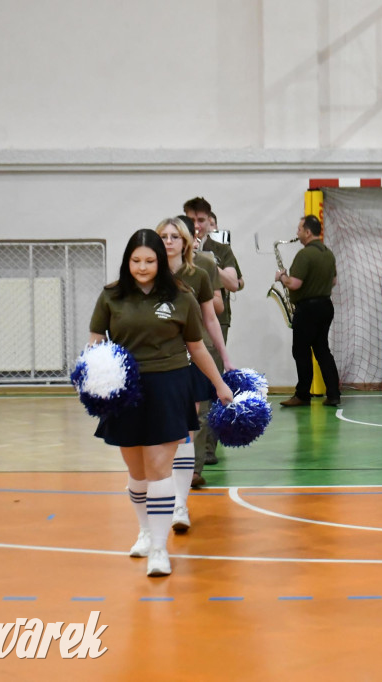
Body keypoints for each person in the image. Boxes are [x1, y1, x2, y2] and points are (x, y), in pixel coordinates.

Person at [87, 229, 232, 577]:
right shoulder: (111, 296)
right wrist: (92, 381)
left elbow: (196, 347)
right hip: (126, 390)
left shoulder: (181, 296)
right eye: (136, 260)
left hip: (169, 386)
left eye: (149, 260)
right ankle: (144, 532)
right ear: (127, 261)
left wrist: (219, 383)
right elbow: (95, 343)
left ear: (160, 262)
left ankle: (159, 549)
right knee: (137, 474)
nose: (142, 266)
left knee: (158, 468)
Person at [156, 218, 234, 528]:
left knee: (186, 429)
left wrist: (224, 358)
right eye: (163, 236)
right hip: (156, 364)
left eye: (175, 236)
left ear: (186, 241)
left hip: (190, 360)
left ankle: (179, 504)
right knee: (160, 434)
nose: (169, 241)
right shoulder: (148, 273)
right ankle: (154, 492)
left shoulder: (200, 274)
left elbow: (211, 319)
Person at [276, 215, 342, 407]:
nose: (297, 233)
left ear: (307, 232)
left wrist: (282, 277)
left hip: (307, 309)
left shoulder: (304, 255)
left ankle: (302, 395)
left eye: (299, 229)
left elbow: (294, 284)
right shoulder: (328, 253)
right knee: (322, 350)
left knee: (301, 351)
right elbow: (334, 281)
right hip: (325, 306)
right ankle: (334, 394)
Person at [183, 197, 243, 342]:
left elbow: (234, 284)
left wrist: (203, 260)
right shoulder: (177, 247)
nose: (196, 225)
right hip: (184, 316)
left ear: (210, 221)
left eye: (201, 220)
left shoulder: (222, 249)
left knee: (215, 363)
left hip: (217, 317)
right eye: (191, 220)